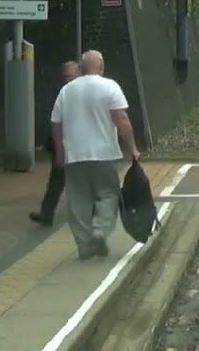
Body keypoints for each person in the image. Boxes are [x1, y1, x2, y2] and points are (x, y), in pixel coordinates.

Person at [51, 50, 141, 260]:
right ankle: (99, 231)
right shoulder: (110, 86)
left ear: (81, 68)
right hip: (103, 154)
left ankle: (84, 246)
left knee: (78, 201)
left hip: (74, 155)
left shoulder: (66, 91)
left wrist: (60, 151)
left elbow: (55, 123)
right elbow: (121, 118)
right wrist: (132, 148)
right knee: (108, 194)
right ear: (101, 66)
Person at [29, 61, 81, 227]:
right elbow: (54, 119)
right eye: (65, 77)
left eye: (70, 77)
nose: (67, 80)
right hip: (64, 143)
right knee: (56, 181)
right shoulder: (62, 93)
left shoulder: (84, 93)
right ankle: (46, 214)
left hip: (81, 145)